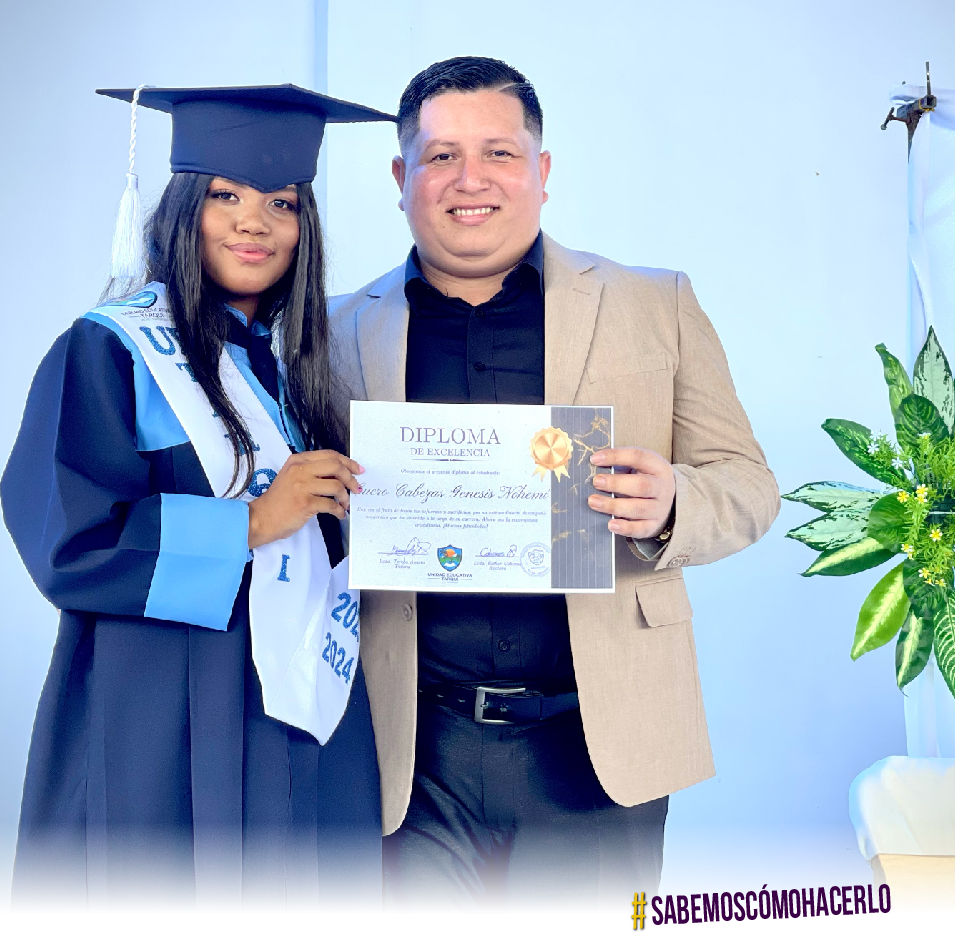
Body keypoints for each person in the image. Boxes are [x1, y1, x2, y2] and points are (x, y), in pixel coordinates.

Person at [329, 57, 781, 903]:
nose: (470, 179)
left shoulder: (655, 304)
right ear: (400, 177)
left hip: (598, 745)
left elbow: (749, 486)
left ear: (541, 170)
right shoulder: (336, 331)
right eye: (440, 156)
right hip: (411, 757)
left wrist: (672, 502)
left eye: (498, 153)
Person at [0, 85, 394, 902]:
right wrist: (246, 524)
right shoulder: (112, 351)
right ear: (185, 208)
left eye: (281, 204)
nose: (255, 222)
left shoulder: (297, 370)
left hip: (297, 709)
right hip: (160, 709)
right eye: (225, 196)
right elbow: (67, 543)